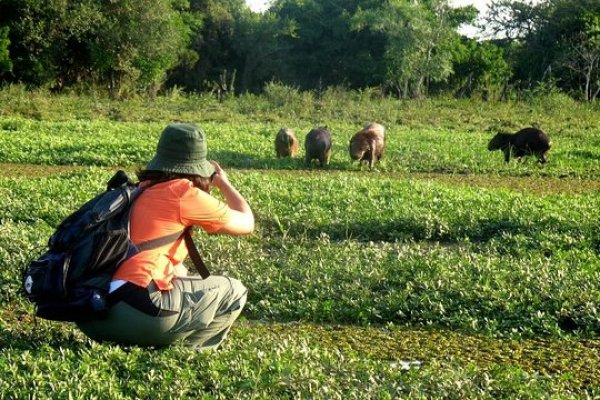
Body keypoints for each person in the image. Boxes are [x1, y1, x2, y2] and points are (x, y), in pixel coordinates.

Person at [77, 123, 254, 350]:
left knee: (180, 274)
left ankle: (144, 338)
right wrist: (224, 184)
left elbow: (175, 269)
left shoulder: (138, 189)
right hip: (135, 314)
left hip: (91, 315)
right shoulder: (182, 193)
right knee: (234, 290)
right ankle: (192, 353)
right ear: (199, 167)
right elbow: (247, 223)